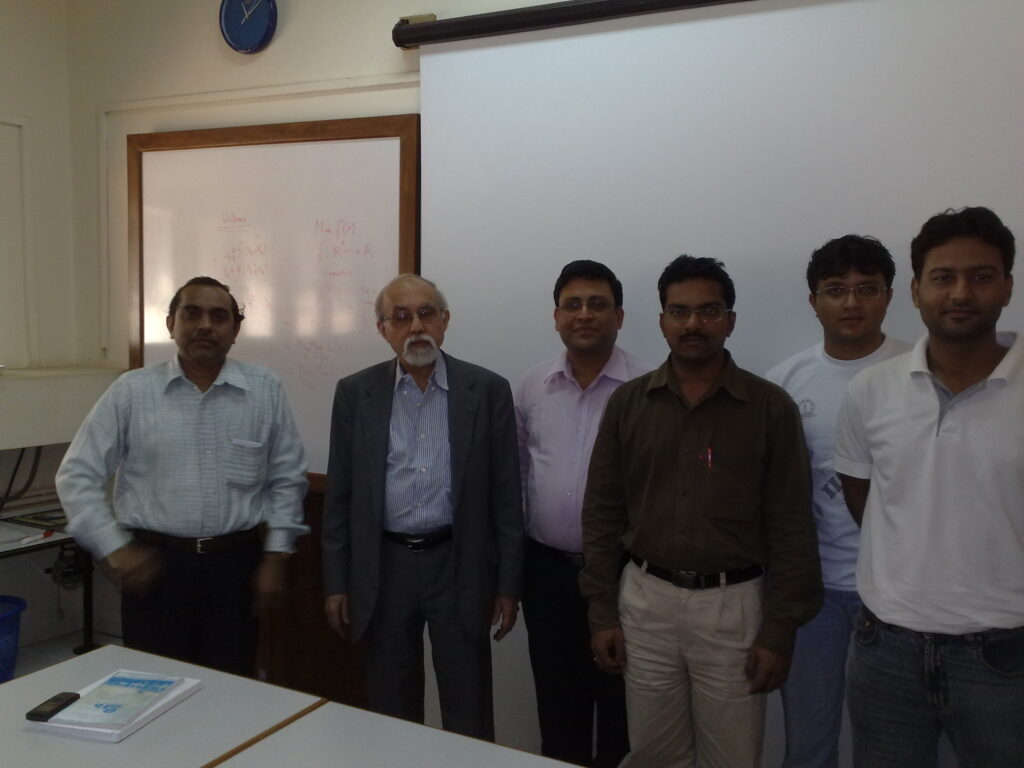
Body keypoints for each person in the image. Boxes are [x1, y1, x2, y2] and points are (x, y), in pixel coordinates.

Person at [580, 254, 823, 768]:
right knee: (654, 756)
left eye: (709, 311)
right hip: (646, 601)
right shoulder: (628, 404)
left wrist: (779, 629)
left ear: (730, 320)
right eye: (679, 311)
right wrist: (601, 611)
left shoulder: (769, 408)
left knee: (731, 758)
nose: (693, 323)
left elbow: (792, 526)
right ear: (662, 320)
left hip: (733, 607)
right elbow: (602, 513)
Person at [835, 206, 1023, 768]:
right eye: (943, 277)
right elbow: (862, 496)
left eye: (981, 276)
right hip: (885, 649)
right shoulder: (870, 390)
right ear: (917, 291)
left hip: (1005, 655)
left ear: (1008, 286)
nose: (961, 293)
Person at [56, 275, 309, 676]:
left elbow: (287, 477)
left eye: (219, 316)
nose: (205, 325)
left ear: (235, 330)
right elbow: (76, 474)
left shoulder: (264, 389)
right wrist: (113, 547)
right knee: (156, 686)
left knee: (232, 683)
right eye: (192, 313)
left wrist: (278, 554)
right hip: (156, 570)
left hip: (235, 568)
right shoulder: (131, 392)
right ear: (171, 323)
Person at [322, 274, 523, 741]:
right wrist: (336, 581)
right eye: (401, 317)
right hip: (384, 566)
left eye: (426, 313)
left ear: (445, 320)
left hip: (459, 564)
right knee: (391, 705)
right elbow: (340, 496)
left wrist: (508, 584)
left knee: (468, 705)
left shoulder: (487, 390)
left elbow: (506, 496)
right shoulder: (355, 393)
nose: (416, 326)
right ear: (383, 329)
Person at [766, 235, 910, 768]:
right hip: (814, 593)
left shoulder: (919, 370)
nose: (851, 303)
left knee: (897, 746)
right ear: (813, 301)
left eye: (867, 289)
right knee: (808, 746)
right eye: (835, 290)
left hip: (900, 593)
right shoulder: (784, 383)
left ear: (890, 295)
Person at [516, 260, 649, 767]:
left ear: (619, 315)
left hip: (624, 576)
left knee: (621, 717)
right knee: (558, 712)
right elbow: (520, 474)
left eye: (597, 304)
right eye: (572, 305)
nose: (584, 314)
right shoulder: (532, 386)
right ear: (556, 317)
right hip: (546, 574)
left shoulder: (649, 387)